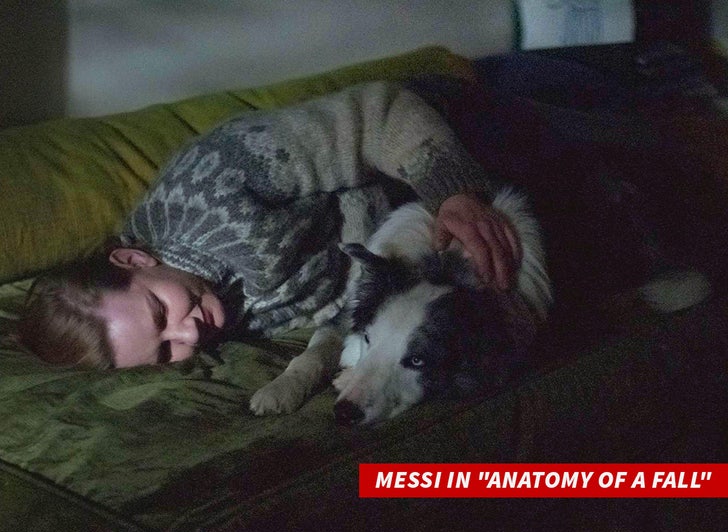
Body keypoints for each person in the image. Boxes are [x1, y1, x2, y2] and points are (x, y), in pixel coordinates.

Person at [19, 80, 520, 372]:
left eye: (160, 312)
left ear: (132, 259)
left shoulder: (218, 179)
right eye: (166, 351)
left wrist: (454, 192)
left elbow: (379, 113)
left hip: (457, 131)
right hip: (410, 242)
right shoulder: (206, 314)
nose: (189, 333)